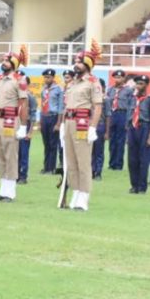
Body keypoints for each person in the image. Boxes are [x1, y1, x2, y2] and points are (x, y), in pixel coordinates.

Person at [59, 40, 103, 211]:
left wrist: (93, 127)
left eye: (79, 62)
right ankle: (75, 193)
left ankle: (84, 196)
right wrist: (62, 125)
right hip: (69, 122)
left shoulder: (93, 82)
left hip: (82, 123)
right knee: (71, 162)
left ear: (88, 64)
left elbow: (97, 107)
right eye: (75, 61)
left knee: (83, 161)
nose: (76, 64)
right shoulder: (72, 83)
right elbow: (66, 106)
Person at [0, 46, 29, 203]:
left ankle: (10, 192)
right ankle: (3, 189)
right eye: (4, 60)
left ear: (14, 63)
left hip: (10, 119)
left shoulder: (19, 80)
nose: (4, 63)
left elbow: (24, 104)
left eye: (7, 60)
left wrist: (23, 126)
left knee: (10, 154)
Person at [104, 69, 134, 172]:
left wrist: (129, 120)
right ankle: (111, 163)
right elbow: (107, 104)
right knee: (112, 140)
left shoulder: (128, 90)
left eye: (120, 77)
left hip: (122, 114)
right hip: (112, 114)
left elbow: (131, 106)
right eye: (116, 77)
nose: (117, 79)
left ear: (124, 78)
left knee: (120, 140)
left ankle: (118, 164)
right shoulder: (110, 89)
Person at [127, 75, 150, 194]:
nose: (138, 86)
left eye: (141, 83)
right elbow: (129, 113)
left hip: (144, 128)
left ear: (146, 85)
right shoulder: (132, 98)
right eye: (137, 83)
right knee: (132, 159)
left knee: (143, 158)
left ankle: (142, 187)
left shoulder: (149, 99)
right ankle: (134, 185)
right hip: (133, 128)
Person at [39, 69, 64, 174]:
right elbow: (42, 105)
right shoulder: (43, 89)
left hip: (53, 117)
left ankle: (51, 168)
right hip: (44, 117)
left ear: (53, 78)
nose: (46, 79)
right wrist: (40, 121)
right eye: (45, 77)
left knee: (53, 144)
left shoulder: (58, 89)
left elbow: (61, 108)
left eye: (48, 77)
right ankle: (46, 167)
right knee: (46, 144)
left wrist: (58, 123)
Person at [18, 76, 38, 184]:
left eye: (23, 82)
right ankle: (15, 174)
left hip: (26, 124)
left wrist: (30, 132)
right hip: (15, 124)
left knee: (24, 152)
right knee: (15, 152)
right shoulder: (15, 95)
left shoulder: (30, 97)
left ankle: (23, 176)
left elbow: (33, 115)